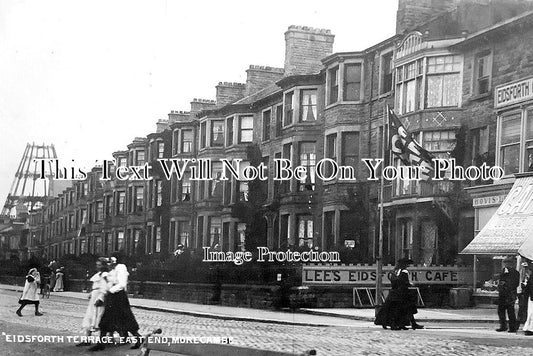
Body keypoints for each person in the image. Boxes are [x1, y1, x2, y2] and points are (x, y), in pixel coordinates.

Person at [89, 254, 142, 351]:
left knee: (126, 318)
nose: (110, 261)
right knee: (106, 319)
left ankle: (139, 338)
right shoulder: (112, 269)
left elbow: (122, 284)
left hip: (119, 297)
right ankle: (101, 343)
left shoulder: (121, 268)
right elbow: (110, 282)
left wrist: (110, 290)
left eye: (112, 259)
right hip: (112, 297)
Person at [375, 258, 423, 330]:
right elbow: (404, 282)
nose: (408, 266)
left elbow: (393, 280)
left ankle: (404, 324)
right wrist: (410, 284)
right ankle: (399, 324)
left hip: (394, 292)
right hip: (402, 293)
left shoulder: (394, 271)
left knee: (397, 308)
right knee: (403, 309)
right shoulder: (404, 271)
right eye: (407, 264)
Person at [77, 257, 109, 347]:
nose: (98, 267)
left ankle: (100, 342)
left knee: (97, 317)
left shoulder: (105, 274)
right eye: (97, 265)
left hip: (98, 298)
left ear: (104, 265)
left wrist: (101, 298)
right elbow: (96, 285)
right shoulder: (99, 274)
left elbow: (105, 288)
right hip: (94, 296)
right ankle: (87, 339)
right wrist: (92, 293)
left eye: (99, 265)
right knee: (90, 317)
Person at [496, 257, 520, 332]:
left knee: (510, 311)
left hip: (509, 294)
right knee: (502, 310)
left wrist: (505, 285)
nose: (505, 265)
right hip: (504, 294)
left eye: (506, 263)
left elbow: (514, 284)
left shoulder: (514, 272)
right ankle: (504, 326)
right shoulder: (503, 271)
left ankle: (511, 327)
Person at [522, 264, 533, 336]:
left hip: (532, 297)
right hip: (531, 297)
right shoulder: (530, 278)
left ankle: (530, 328)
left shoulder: (531, 278)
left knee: (531, 313)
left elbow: (529, 288)